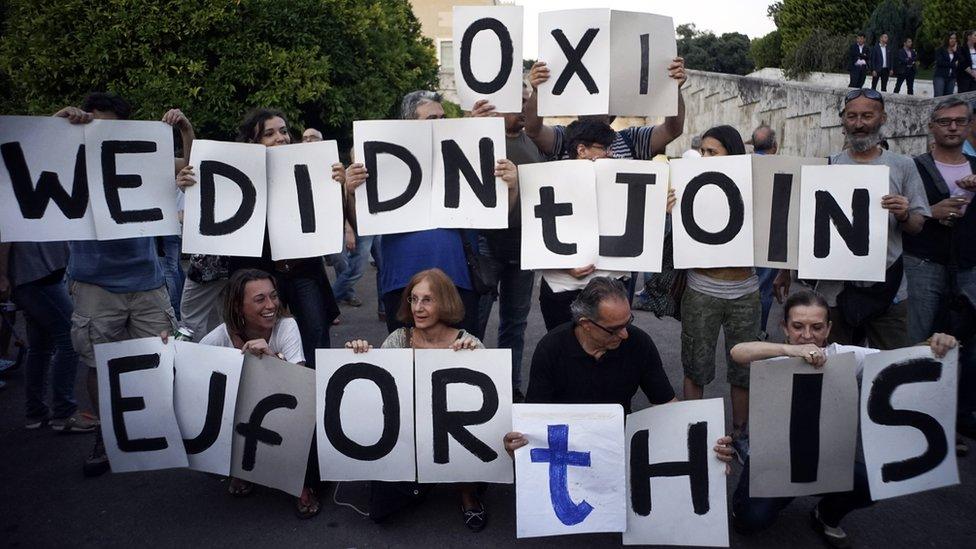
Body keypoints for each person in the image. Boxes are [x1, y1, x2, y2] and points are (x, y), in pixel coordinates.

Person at [729, 289, 957, 548]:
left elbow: (900, 360)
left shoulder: (845, 356)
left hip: (824, 460)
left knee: (874, 482)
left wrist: (936, 343)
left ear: (828, 329)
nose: (807, 335)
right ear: (784, 327)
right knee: (749, 522)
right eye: (797, 326)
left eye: (816, 327)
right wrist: (791, 351)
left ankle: (825, 515)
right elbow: (738, 352)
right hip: (773, 462)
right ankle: (768, 498)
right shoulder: (775, 355)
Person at [56, 93, 182, 476]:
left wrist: (186, 130)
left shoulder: (140, 157)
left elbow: (190, 165)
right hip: (95, 284)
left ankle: (153, 432)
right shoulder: (71, 160)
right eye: (94, 124)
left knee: (160, 360)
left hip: (146, 280)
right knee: (100, 364)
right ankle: (108, 436)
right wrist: (55, 124)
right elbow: (26, 162)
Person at [502, 277, 734, 475]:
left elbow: (667, 406)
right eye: (614, 329)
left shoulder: (639, 343)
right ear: (586, 324)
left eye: (628, 322)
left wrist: (708, 444)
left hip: (616, 439)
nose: (624, 334)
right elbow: (535, 417)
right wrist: (517, 443)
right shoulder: (551, 348)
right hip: (567, 443)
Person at [344, 90, 519, 338]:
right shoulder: (385, 162)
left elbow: (497, 214)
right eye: (431, 119)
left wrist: (511, 187)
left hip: (457, 278)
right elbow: (362, 223)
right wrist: (351, 192)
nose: (440, 123)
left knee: (461, 360)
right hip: (402, 280)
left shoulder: (465, 154)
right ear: (409, 125)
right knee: (408, 360)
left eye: (442, 117)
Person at [177, 109, 343, 366]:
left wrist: (338, 186)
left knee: (316, 334)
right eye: (269, 133)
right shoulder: (235, 173)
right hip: (259, 271)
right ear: (253, 143)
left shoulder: (311, 167)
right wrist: (191, 183)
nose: (280, 137)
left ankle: (316, 391)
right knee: (255, 334)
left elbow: (332, 216)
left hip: (303, 270)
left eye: (284, 131)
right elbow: (208, 196)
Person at [775, 89, 929, 351]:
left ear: (883, 118)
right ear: (843, 121)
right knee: (835, 368)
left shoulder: (903, 165)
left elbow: (918, 225)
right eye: (852, 116)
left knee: (890, 364)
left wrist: (903, 214)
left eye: (867, 116)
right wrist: (784, 269)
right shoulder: (825, 166)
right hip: (833, 293)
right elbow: (801, 223)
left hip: (887, 291)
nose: (859, 123)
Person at [345, 268, 486, 531]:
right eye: (413, 299)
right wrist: (360, 355)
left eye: (428, 300)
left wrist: (473, 359)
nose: (418, 308)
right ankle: (424, 479)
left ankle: (467, 493)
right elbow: (376, 391)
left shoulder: (467, 343)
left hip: (452, 433)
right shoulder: (399, 339)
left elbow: (485, 409)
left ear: (445, 302)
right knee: (380, 510)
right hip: (408, 432)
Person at [193, 268, 320, 518]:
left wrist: (271, 358)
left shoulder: (286, 327)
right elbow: (193, 378)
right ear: (238, 307)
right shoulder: (217, 339)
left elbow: (299, 386)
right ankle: (241, 470)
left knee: (303, 419)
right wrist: (164, 349)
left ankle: (300, 483)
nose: (271, 305)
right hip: (241, 414)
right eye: (260, 299)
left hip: (283, 407)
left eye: (273, 296)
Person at [681, 124, 759, 463]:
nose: (704, 158)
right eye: (702, 152)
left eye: (712, 152)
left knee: (743, 368)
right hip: (701, 289)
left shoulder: (753, 186)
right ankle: (692, 432)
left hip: (745, 291)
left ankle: (740, 433)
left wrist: (784, 270)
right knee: (695, 364)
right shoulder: (691, 184)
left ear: (732, 153)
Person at [903, 97, 976, 447]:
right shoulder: (914, 167)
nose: (952, 127)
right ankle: (913, 422)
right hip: (923, 264)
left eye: (960, 121)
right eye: (945, 121)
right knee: (919, 342)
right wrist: (931, 211)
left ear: (968, 125)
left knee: (966, 349)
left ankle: (953, 422)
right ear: (931, 125)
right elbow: (898, 218)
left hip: (969, 268)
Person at [467, 84, 543, 402]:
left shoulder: (536, 142)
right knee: (476, 319)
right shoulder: (480, 139)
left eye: (528, 102)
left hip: (523, 243)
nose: (526, 108)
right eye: (521, 102)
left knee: (515, 321)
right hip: (487, 241)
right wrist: (473, 126)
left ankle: (509, 387)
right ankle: (469, 381)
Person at [0, 240, 95, 432]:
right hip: (35, 276)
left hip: (40, 274)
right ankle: (64, 412)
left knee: (41, 346)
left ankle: (36, 412)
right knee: (70, 339)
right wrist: (1, 276)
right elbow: (5, 235)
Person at [523, 58, 687, 161]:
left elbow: (672, 130)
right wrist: (538, 92)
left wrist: (674, 91)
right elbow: (533, 130)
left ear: (611, 111)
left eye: (599, 97)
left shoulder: (633, 140)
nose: (591, 100)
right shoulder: (563, 138)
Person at [934, 32, 960, 97]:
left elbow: (960, 61)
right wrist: (953, 64)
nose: (953, 40)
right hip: (940, 76)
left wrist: (955, 51)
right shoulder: (940, 50)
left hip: (952, 77)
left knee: (948, 99)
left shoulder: (957, 50)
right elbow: (940, 63)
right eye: (951, 38)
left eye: (954, 38)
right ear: (947, 39)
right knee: (938, 97)